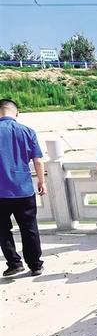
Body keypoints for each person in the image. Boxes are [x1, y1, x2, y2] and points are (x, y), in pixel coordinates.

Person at [0, 99, 45, 277]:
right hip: (24, 189)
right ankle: (35, 265)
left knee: (2, 230)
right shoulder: (27, 131)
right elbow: (38, 161)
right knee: (29, 228)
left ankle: (14, 263)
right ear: (16, 113)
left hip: (1, 192)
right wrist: (41, 181)